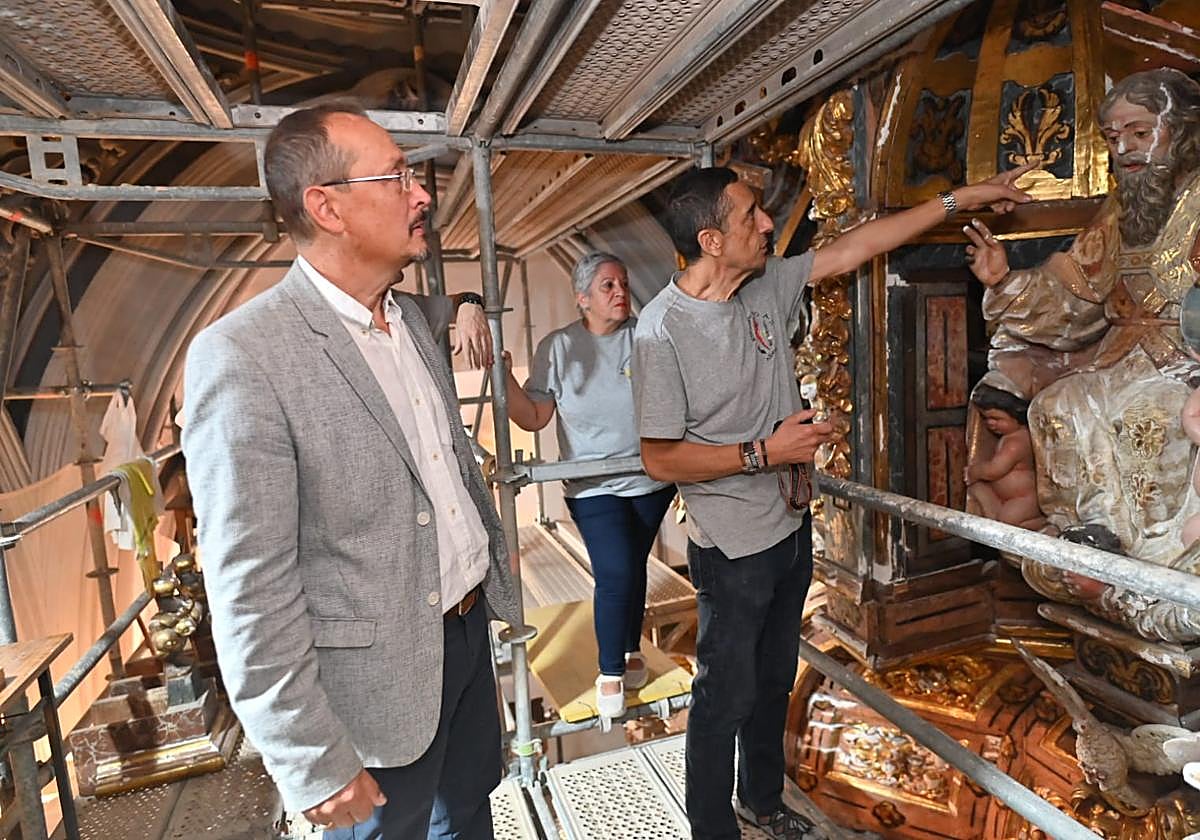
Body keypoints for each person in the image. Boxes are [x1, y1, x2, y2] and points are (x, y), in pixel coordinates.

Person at [632, 164, 1029, 840]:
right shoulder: (661, 331)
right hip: (730, 548)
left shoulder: (764, 285)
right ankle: (711, 829)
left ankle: (761, 802)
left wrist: (959, 198)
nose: (767, 225)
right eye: (752, 215)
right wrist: (765, 452)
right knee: (722, 697)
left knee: (771, 679)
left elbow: (857, 247)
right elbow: (659, 458)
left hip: (788, 527)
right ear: (712, 239)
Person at [181, 101, 520, 840]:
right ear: (326, 207)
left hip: (462, 643)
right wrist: (308, 757)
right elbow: (249, 585)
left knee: (467, 821)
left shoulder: (405, 323)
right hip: (373, 691)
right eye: (397, 176)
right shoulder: (244, 357)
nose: (422, 192)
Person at [963, 68, 1200, 570]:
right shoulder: (1120, 212)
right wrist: (1004, 282)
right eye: (1114, 139)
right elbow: (1075, 291)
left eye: (1140, 133)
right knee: (1055, 405)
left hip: (1186, 361)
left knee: (1149, 418)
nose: (1126, 149)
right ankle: (1092, 539)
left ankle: (1163, 557)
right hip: (1120, 357)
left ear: (1180, 131)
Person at [503, 252, 676, 719]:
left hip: (651, 479)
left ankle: (630, 650)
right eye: (607, 286)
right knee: (616, 571)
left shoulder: (645, 335)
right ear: (582, 299)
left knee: (634, 565)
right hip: (592, 485)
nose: (620, 291)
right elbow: (536, 416)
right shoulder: (558, 347)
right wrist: (502, 377)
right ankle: (610, 673)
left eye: (622, 283)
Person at [963, 385, 1044, 531]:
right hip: (1008, 497)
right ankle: (997, 526)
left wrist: (974, 471)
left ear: (1016, 415)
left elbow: (995, 470)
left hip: (1023, 498)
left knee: (1008, 521)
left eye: (996, 418)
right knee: (977, 489)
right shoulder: (1009, 437)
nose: (990, 423)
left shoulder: (1016, 443)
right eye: (986, 418)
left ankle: (1044, 525)